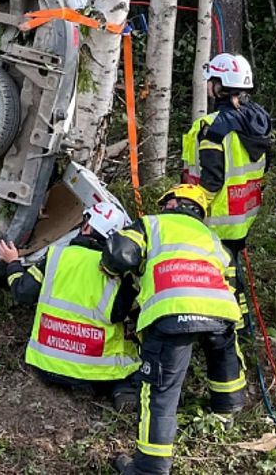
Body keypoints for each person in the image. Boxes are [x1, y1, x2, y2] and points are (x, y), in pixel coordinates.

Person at [104, 185, 245, 475]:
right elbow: (233, 284)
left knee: (160, 391)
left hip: (172, 313)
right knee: (222, 356)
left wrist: (109, 267)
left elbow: (120, 254)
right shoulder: (213, 239)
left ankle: (149, 469)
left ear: (172, 204)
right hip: (220, 310)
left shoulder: (152, 224)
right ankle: (227, 411)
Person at [0, 202, 140, 411]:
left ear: (86, 227)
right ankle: (123, 390)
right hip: (94, 374)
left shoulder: (56, 256)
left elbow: (22, 292)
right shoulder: (120, 274)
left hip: (47, 365)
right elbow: (125, 315)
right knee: (135, 359)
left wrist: (13, 262)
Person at [181, 52, 272, 325]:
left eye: (211, 80)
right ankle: (240, 322)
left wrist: (190, 207)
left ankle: (228, 326)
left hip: (216, 216)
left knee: (220, 274)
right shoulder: (258, 119)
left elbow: (212, 178)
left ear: (219, 85)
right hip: (243, 211)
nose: (208, 85)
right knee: (233, 270)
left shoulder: (211, 127)